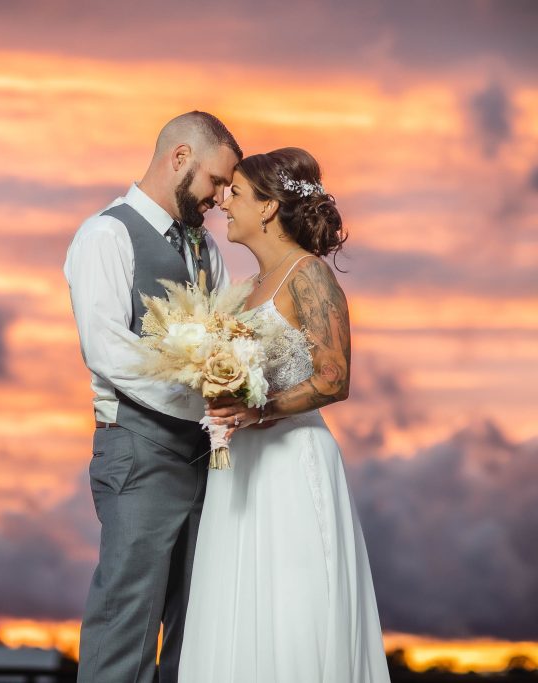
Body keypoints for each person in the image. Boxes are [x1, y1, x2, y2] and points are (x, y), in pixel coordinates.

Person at [178, 147, 390, 682]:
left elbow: (334, 377)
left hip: (290, 461)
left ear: (269, 208)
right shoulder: (244, 290)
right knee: (236, 602)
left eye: (239, 194)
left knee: (293, 603)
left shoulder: (308, 276)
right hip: (240, 468)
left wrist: (259, 411)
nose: (226, 204)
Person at [63, 111, 242, 683]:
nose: (219, 196)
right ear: (180, 158)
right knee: (127, 622)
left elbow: (220, 332)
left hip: (206, 460)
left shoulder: (205, 248)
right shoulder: (105, 234)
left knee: (196, 624)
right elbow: (107, 351)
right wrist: (204, 400)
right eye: (216, 181)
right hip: (137, 454)